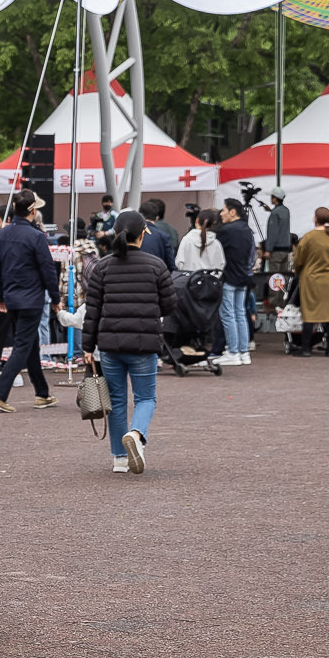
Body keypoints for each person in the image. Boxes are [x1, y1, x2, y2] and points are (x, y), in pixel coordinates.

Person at [81, 209, 172, 473]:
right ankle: (137, 434)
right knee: (145, 398)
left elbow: (92, 310)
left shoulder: (102, 267)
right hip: (144, 344)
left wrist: (87, 347)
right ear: (143, 233)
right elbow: (169, 305)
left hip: (110, 344)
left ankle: (119, 458)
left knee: (117, 400)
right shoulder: (156, 265)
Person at [0, 193, 59, 412]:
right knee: (23, 346)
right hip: (32, 298)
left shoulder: (1, 235)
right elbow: (48, 270)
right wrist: (55, 298)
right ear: (33, 211)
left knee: (30, 345)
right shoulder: (37, 237)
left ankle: (42, 393)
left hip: (11, 296)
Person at [174, 209, 226, 360]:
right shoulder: (216, 243)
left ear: (196, 220)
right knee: (206, 319)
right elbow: (220, 265)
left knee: (188, 318)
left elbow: (179, 262)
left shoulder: (187, 239)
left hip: (189, 286)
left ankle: (187, 351)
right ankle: (202, 349)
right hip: (209, 288)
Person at [291, 208, 329, 357]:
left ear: (315, 219)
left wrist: (298, 269)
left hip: (311, 279)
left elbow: (299, 259)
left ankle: (306, 348)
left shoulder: (308, 237)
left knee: (309, 314)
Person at [217, 196, 256, 366]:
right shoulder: (247, 229)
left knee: (228, 314)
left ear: (232, 212)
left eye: (224, 210)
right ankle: (243, 351)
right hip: (244, 277)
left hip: (229, 277)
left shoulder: (227, 230)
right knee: (240, 313)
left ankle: (233, 351)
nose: (221, 213)